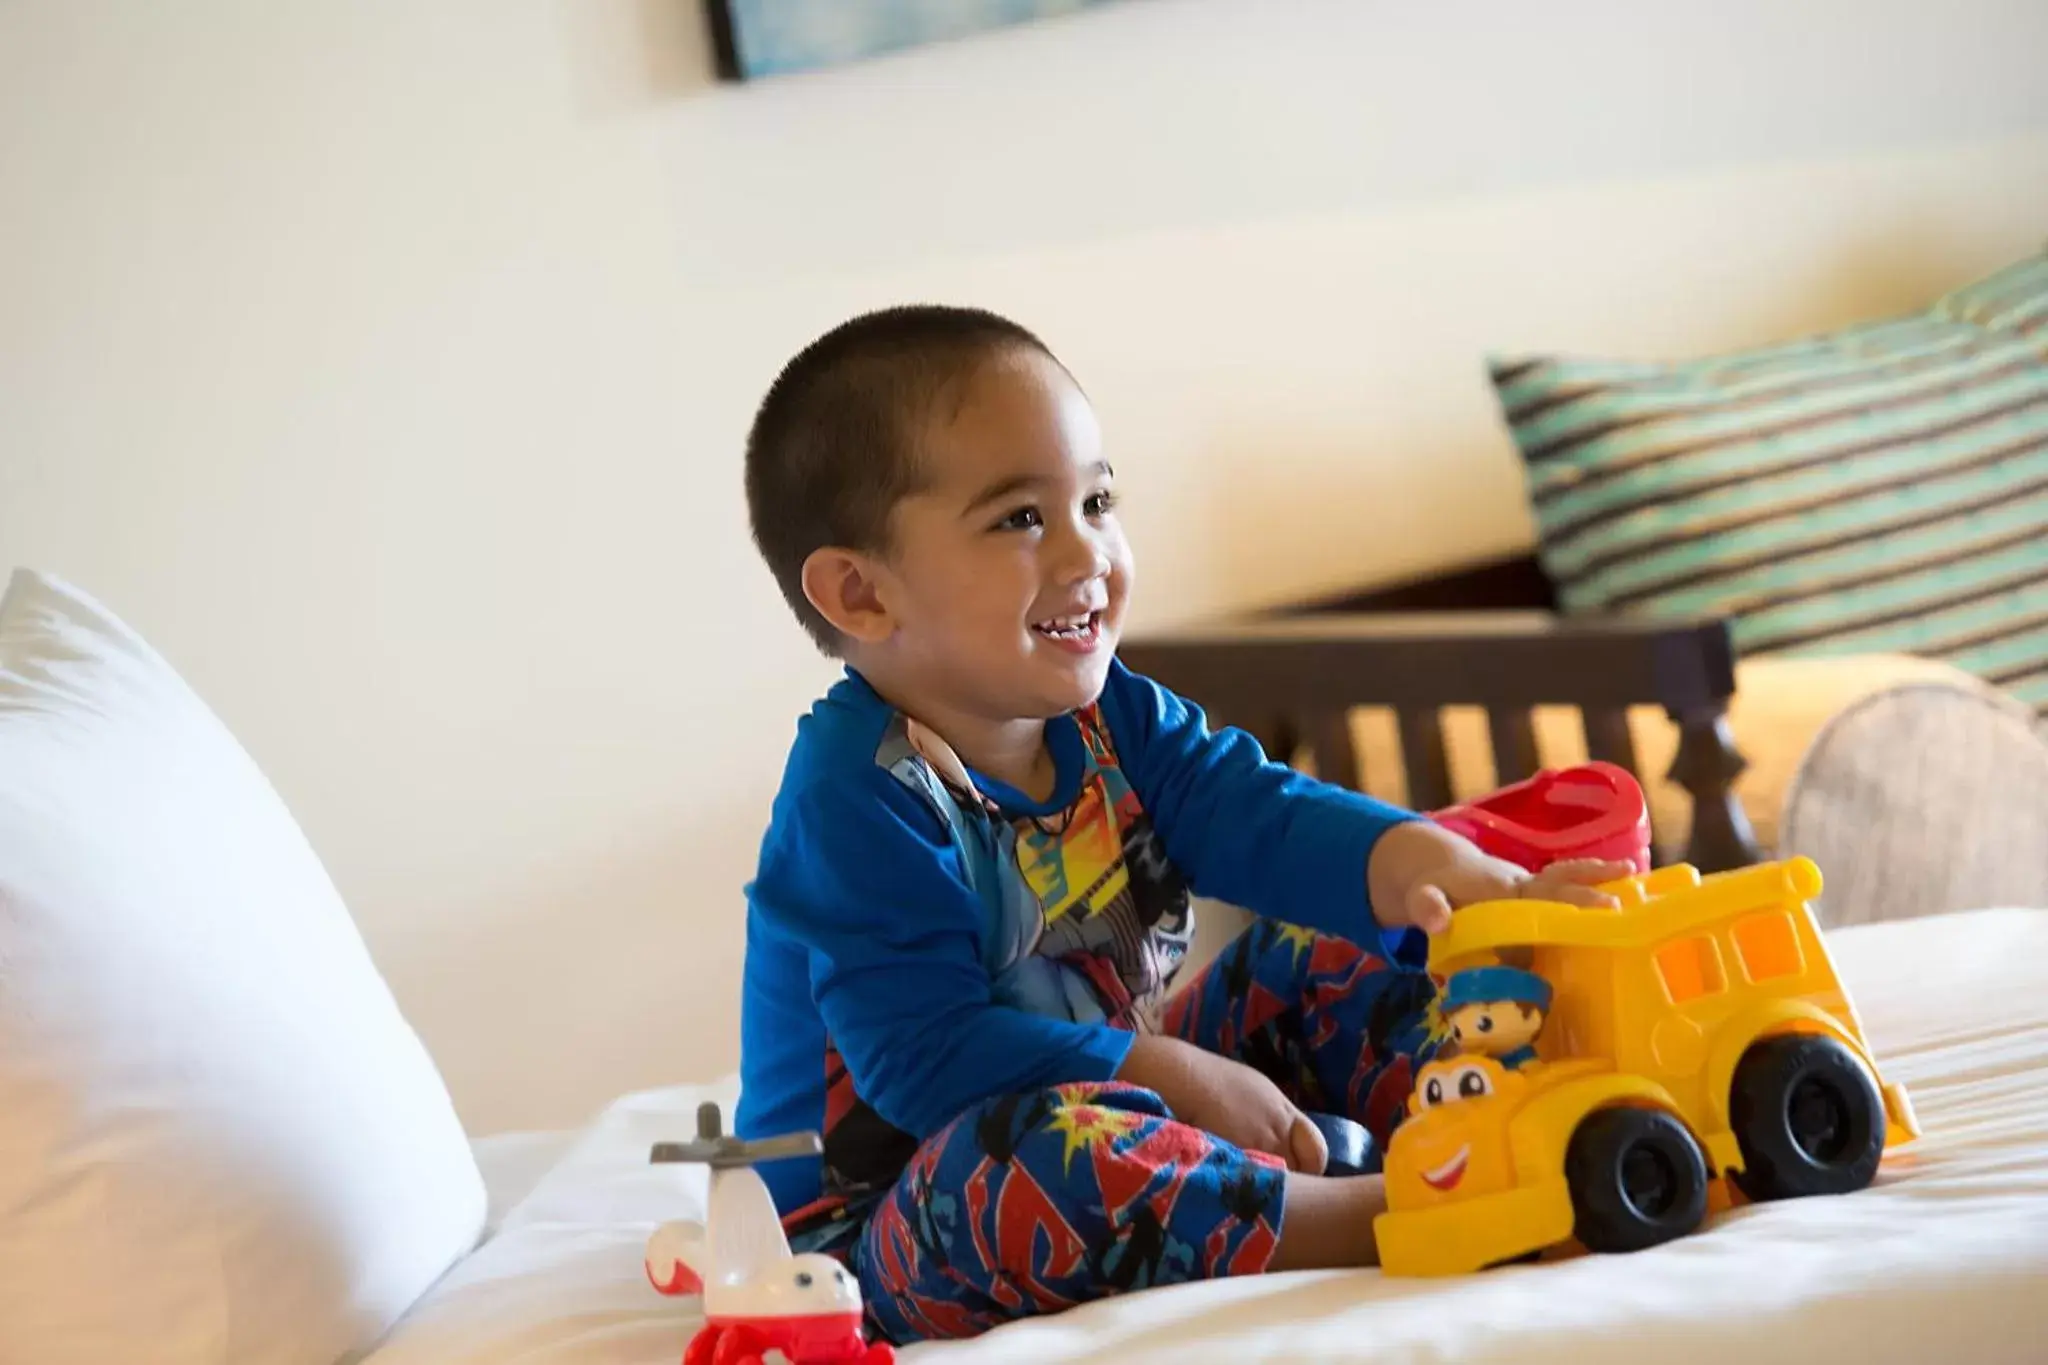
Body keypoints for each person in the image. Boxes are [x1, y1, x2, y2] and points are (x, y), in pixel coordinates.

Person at [732, 306, 1625, 1344]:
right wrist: (1171, 1075)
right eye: (1020, 519)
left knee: (1308, 953)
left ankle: (1495, 1096)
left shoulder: (1112, 717)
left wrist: (1433, 863)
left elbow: (1258, 815)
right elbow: (925, 1060)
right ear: (860, 592)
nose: (1087, 554)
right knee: (1043, 1157)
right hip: (876, 1218)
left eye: (1098, 500)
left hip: (1131, 1088)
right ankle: (1376, 1212)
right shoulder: (857, 797)